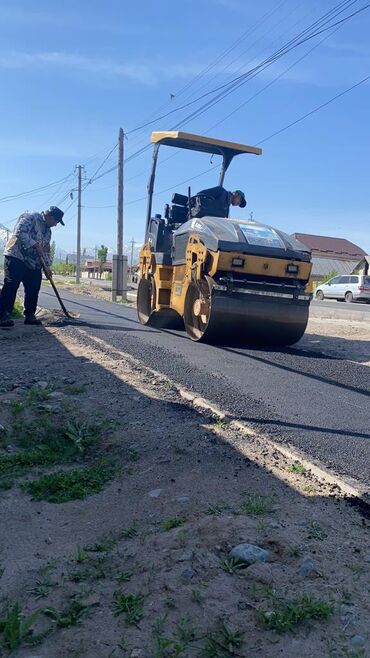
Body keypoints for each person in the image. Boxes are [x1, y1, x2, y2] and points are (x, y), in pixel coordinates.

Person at [0, 206, 65, 328]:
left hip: (33, 262)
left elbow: (45, 250)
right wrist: (34, 245)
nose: (56, 225)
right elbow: (20, 232)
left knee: (34, 286)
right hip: (16, 256)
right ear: (50, 217)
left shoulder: (48, 231)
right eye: (56, 222)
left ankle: (30, 315)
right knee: (11, 285)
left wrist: (47, 267)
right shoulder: (30, 217)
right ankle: (3, 315)